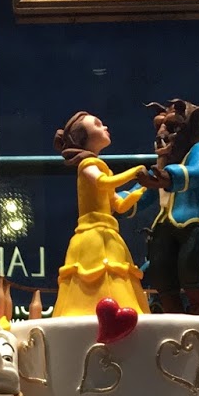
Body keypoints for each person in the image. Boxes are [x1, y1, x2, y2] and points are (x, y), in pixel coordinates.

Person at [51, 111, 150, 318]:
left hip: (108, 234)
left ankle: (116, 315)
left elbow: (119, 205)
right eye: (97, 125)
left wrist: (142, 189)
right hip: (92, 235)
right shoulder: (87, 165)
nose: (105, 127)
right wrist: (133, 173)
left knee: (116, 274)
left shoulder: (102, 167)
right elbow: (102, 183)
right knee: (93, 274)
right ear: (83, 138)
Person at [142, 97, 199, 314]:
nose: (161, 134)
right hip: (163, 227)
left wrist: (169, 178)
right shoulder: (164, 165)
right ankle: (174, 319)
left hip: (192, 225)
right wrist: (113, 202)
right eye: (159, 127)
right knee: (162, 275)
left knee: (192, 273)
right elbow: (142, 192)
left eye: (172, 127)